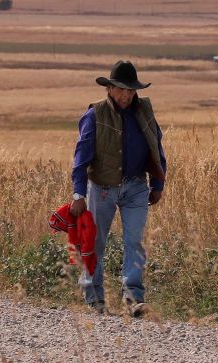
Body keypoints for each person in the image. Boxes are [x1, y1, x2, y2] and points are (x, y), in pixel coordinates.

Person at [69, 60, 166, 316]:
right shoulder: (95, 115)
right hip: (101, 188)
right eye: (122, 89)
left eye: (131, 90)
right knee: (95, 242)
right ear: (110, 88)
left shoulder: (144, 111)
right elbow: (80, 159)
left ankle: (134, 299)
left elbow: (157, 147)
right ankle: (94, 298)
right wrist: (78, 194)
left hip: (136, 187)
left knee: (135, 242)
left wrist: (158, 183)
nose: (127, 95)